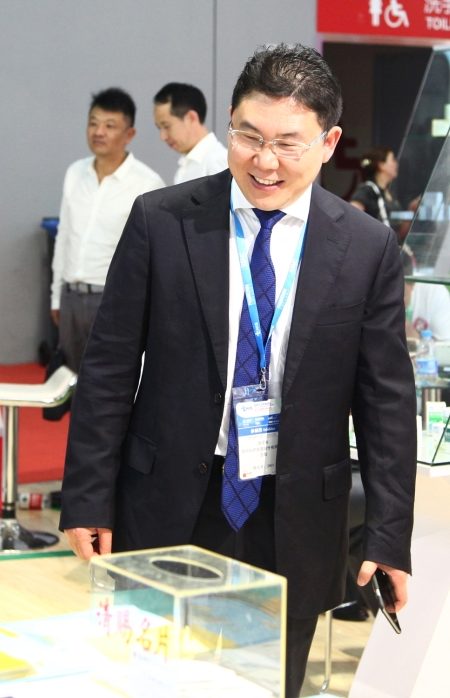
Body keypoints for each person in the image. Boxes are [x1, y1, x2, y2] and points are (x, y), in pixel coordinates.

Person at [59, 44, 416, 697]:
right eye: (248, 136)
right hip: (169, 501)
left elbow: (386, 402)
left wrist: (389, 533)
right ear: (228, 124)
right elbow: (108, 366)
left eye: (288, 143)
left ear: (329, 142)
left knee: (268, 685)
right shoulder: (163, 221)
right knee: (147, 681)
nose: (264, 160)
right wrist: (86, 496)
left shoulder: (366, 248)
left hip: (293, 513)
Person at [50, 88, 165, 373]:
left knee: (108, 380)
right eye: (93, 123)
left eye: (110, 125)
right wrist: (56, 296)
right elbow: (64, 237)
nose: (98, 132)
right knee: (71, 381)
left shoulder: (147, 183)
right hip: (71, 297)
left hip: (114, 300)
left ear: (129, 134)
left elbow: (155, 257)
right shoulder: (75, 172)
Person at [153, 82, 228, 185]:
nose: (163, 137)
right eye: (159, 128)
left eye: (167, 126)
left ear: (191, 118)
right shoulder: (187, 164)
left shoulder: (217, 161)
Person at [349, 146, 400, 227]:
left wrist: (413, 210)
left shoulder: (390, 193)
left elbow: (399, 229)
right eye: (393, 160)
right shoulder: (366, 190)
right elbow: (350, 217)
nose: (396, 163)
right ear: (381, 165)